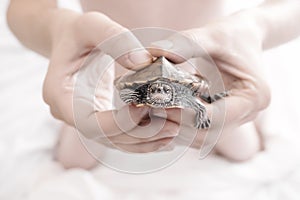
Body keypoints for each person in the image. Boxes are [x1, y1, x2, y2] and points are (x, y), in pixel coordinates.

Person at [6, 0, 300, 169]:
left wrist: (255, 26)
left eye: (162, 91)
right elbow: (23, 8)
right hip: (108, 61)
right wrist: (59, 29)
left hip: (204, 60)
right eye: (157, 91)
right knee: (73, 160)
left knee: (243, 149)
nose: (159, 93)